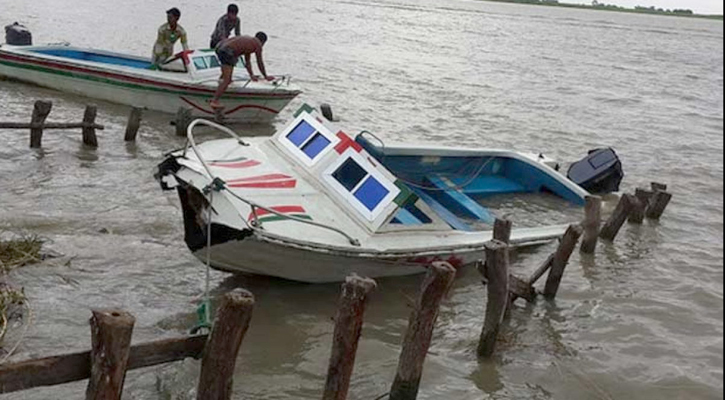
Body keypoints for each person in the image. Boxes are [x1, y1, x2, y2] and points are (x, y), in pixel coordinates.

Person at [209, 32, 275, 109]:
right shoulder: (258, 45)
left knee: (229, 66)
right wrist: (265, 76)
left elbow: (247, 62)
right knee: (227, 79)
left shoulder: (249, 41)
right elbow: (259, 62)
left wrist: (251, 75)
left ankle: (221, 81)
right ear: (263, 41)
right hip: (227, 50)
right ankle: (215, 101)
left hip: (219, 46)